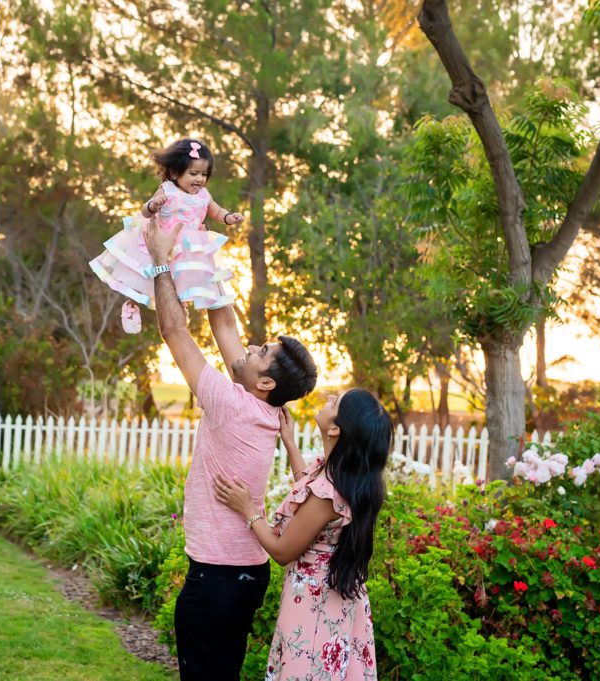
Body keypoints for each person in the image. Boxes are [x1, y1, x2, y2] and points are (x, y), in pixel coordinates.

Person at [141, 215, 318, 680]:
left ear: (263, 381)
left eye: (261, 351)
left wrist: (161, 261)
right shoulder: (258, 406)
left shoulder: (230, 405)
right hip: (244, 575)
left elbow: (175, 332)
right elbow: (224, 322)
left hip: (217, 579)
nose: (251, 346)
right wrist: (200, 243)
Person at [214, 389, 392, 681]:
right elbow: (309, 494)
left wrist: (248, 510)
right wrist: (289, 442)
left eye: (335, 403)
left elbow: (282, 551)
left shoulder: (329, 494)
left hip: (315, 604)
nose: (329, 399)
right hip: (339, 598)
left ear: (336, 428)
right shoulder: (343, 477)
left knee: (307, 671)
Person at [89, 137, 244, 333]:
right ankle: (131, 305)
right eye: (193, 173)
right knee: (142, 275)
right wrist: (154, 205)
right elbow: (145, 212)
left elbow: (216, 211)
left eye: (204, 174)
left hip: (188, 247)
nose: (199, 179)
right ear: (174, 172)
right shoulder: (167, 190)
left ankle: (179, 308)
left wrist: (228, 217)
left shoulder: (204, 195)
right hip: (163, 241)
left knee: (182, 280)